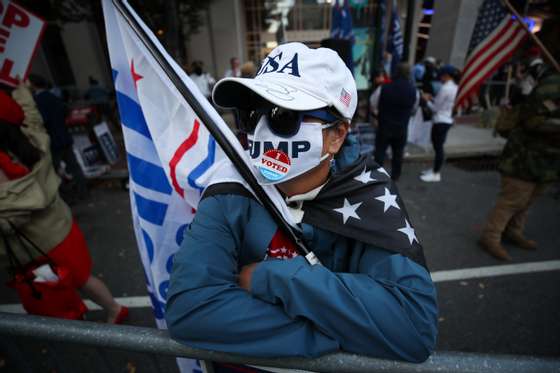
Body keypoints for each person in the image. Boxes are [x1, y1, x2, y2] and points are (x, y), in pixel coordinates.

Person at [166, 43, 437, 368]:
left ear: (337, 134)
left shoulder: (368, 191)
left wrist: (275, 278)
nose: (262, 131)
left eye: (283, 115)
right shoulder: (230, 186)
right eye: (251, 115)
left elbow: (412, 326)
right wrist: (340, 335)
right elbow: (191, 309)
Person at [0, 82, 128, 323]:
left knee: (54, 291)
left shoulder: (4, 161)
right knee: (81, 279)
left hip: (37, 244)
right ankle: (113, 309)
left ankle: (83, 325)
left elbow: (10, 218)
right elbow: (31, 116)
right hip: (63, 229)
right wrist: (20, 89)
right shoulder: (32, 138)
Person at [479, 67, 560, 261]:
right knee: (513, 200)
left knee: (528, 200)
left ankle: (514, 230)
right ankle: (491, 236)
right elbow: (532, 121)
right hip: (525, 158)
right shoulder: (551, 87)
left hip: (547, 161)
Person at [27, 74, 88, 199]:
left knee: (54, 171)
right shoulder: (53, 97)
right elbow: (65, 111)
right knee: (74, 166)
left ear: (33, 85)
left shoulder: (38, 101)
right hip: (64, 136)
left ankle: (66, 195)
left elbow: (42, 120)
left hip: (52, 141)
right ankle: (83, 191)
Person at [370, 63, 418, 181]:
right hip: (401, 127)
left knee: (380, 152)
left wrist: (378, 115)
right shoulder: (414, 90)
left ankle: (378, 176)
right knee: (398, 153)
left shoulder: (384, 87)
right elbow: (414, 109)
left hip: (384, 125)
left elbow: (373, 103)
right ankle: (395, 176)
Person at [420, 64, 459, 182]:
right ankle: (434, 170)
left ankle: (436, 173)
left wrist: (426, 100)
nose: (440, 78)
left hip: (440, 119)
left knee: (438, 147)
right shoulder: (455, 87)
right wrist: (432, 98)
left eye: (441, 75)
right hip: (447, 118)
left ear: (446, 76)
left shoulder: (445, 88)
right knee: (438, 146)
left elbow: (435, 108)